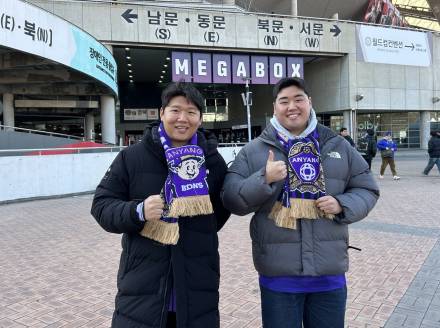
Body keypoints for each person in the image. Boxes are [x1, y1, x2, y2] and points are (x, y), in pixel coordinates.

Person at [222, 77, 379, 328]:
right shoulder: (254, 150)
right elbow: (232, 199)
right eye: (284, 101)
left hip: (329, 275)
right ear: (275, 107)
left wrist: (342, 204)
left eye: (298, 99)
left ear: (310, 102)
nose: (292, 106)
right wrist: (264, 178)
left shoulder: (337, 145)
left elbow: (367, 188)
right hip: (278, 276)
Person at [91, 82, 230, 328]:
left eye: (191, 112)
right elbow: (101, 205)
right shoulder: (132, 157)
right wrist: (138, 211)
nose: (182, 119)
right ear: (161, 113)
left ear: (200, 118)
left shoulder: (212, 161)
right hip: (142, 289)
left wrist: (193, 229)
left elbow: (219, 213)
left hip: (198, 287)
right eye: (175, 110)